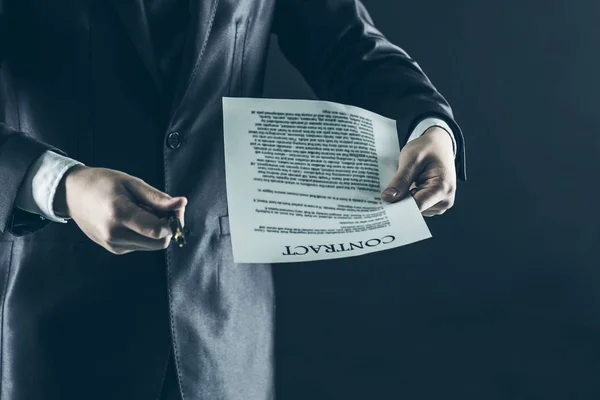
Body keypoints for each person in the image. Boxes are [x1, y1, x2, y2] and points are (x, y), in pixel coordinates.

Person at [0, 0, 466, 399]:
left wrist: (428, 125)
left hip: (225, 328)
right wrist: (61, 184)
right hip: (54, 326)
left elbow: (346, 42)